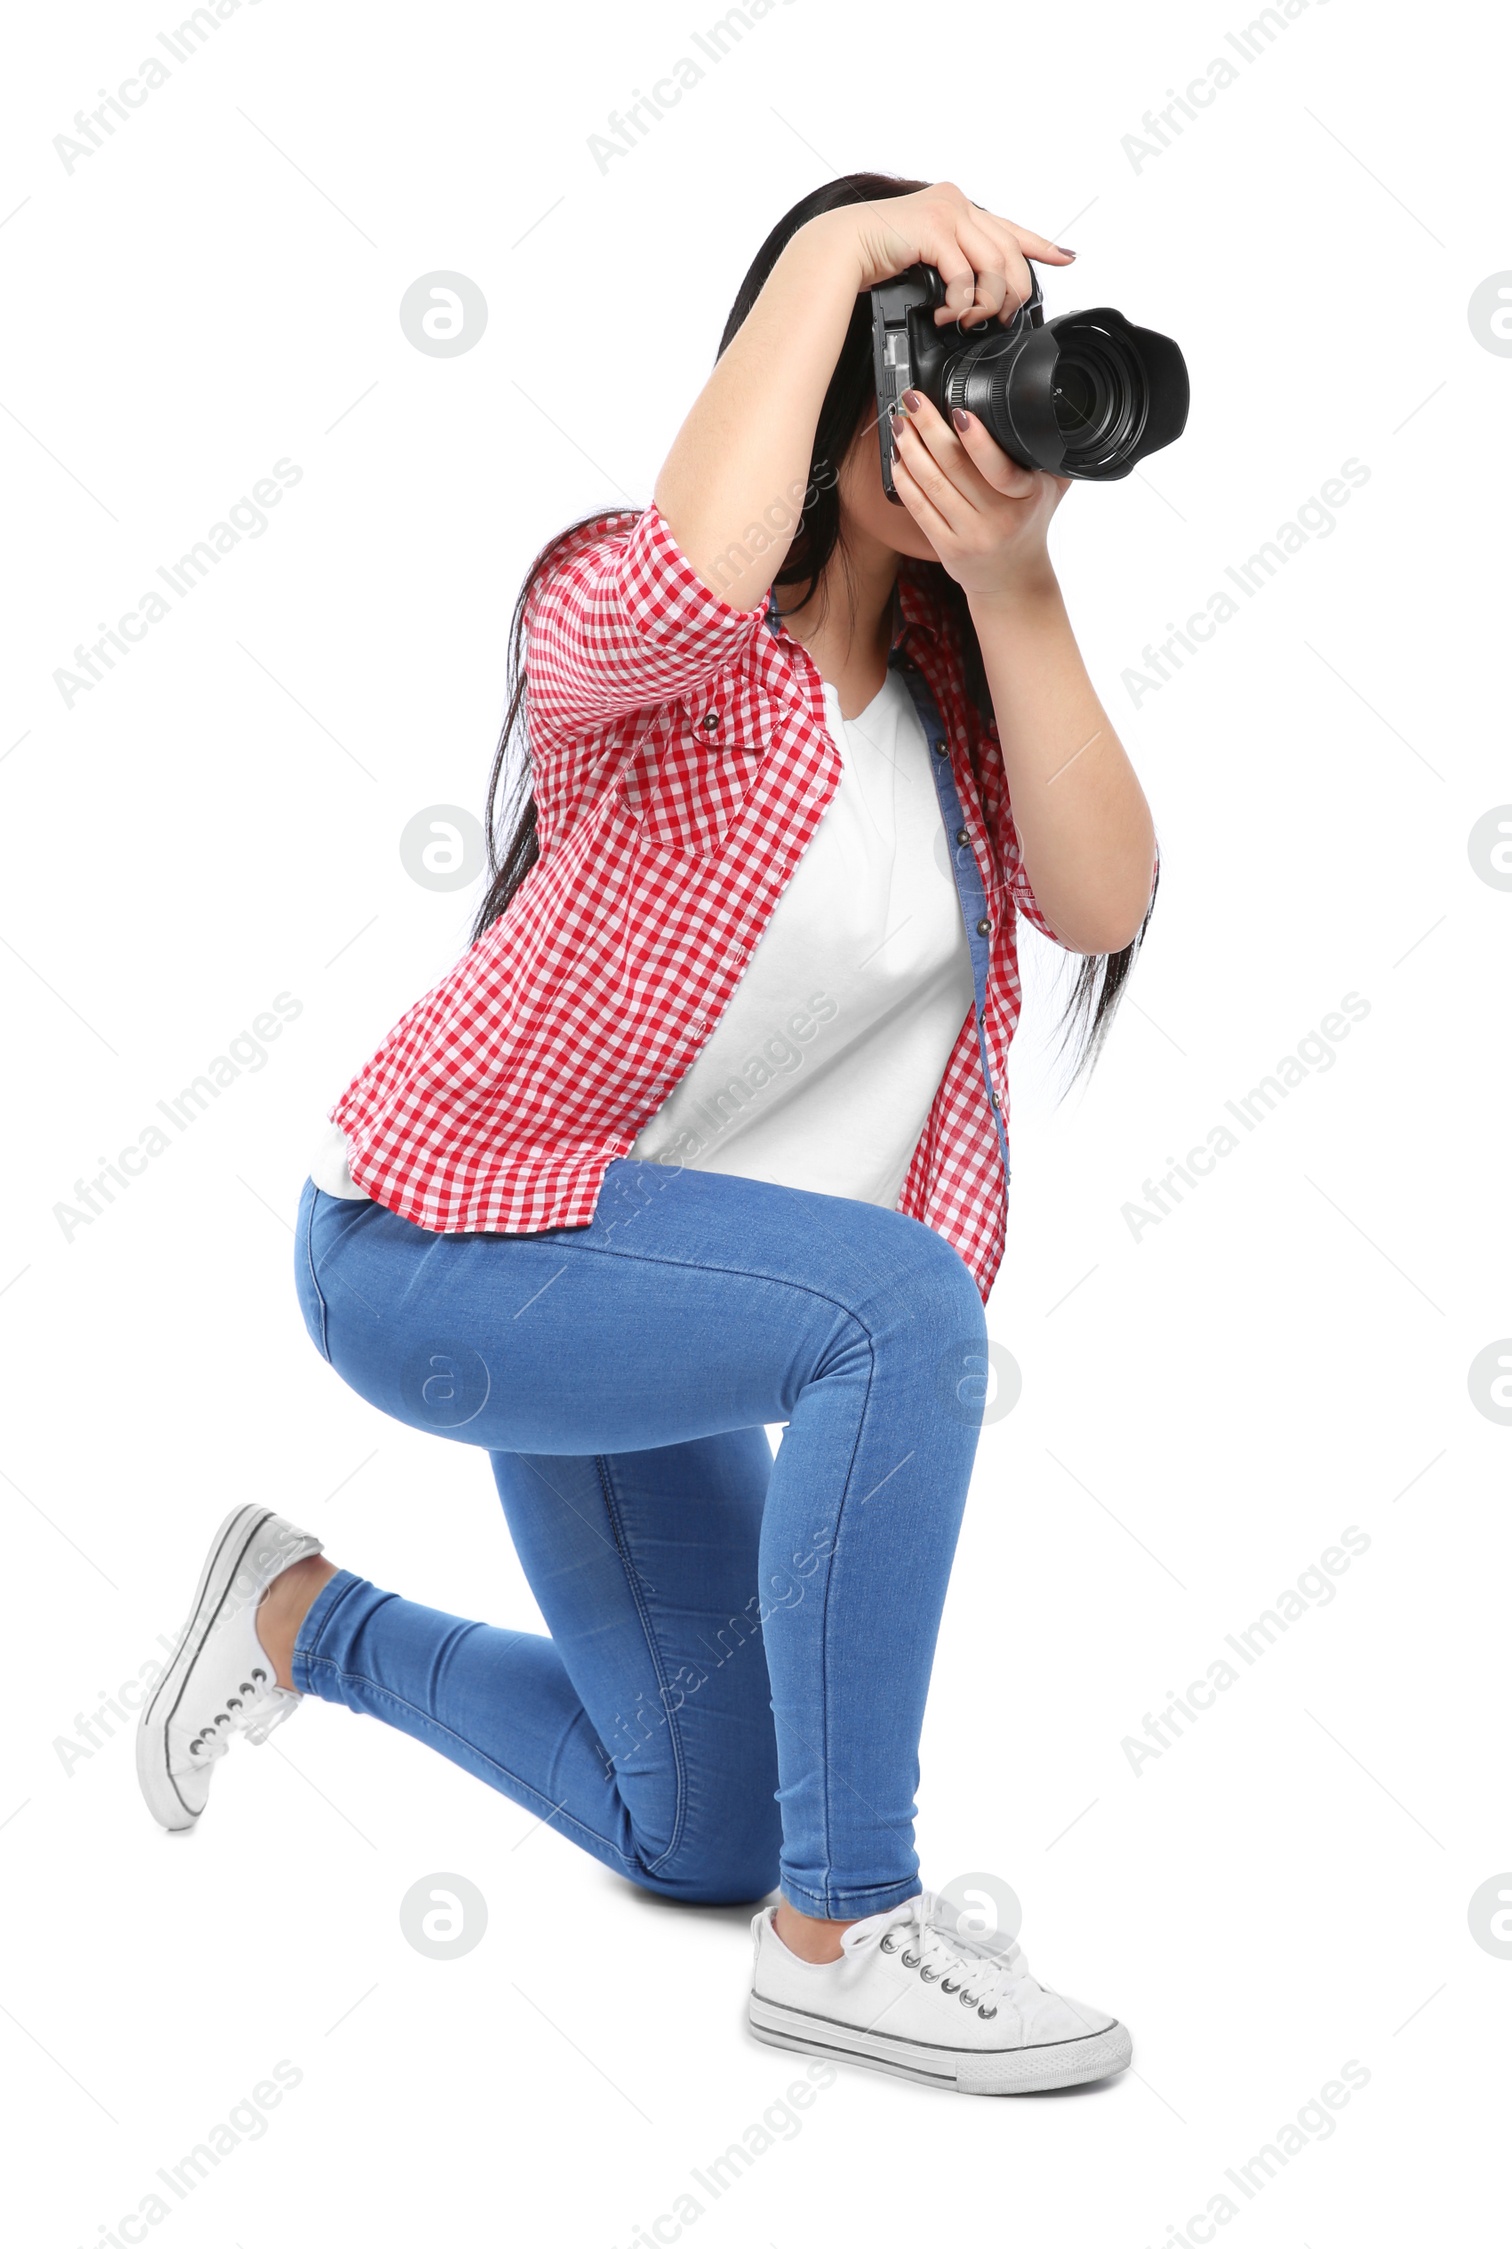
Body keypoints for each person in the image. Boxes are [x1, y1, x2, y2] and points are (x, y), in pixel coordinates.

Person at [138, 174, 1160, 2097]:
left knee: (696, 1823)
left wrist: (1017, 579)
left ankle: (295, 1613)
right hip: (446, 1249)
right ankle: (850, 1926)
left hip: (660, 1299)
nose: (966, 413)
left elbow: (1104, 898)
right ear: (829, 366)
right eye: (925, 361)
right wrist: (836, 253)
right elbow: (701, 562)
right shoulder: (639, 623)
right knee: (905, 1311)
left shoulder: (954, 697)